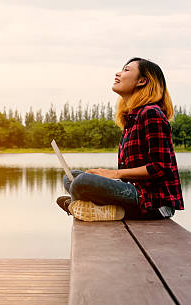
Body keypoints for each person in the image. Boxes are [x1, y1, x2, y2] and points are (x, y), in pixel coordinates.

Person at [56, 57, 184, 220]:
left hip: (154, 203)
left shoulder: (152, 113)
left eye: (126, 70)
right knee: (71, 176)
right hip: (133, 191)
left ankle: (82, 206)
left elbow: (159, 167)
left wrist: (113, 174)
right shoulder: (131, 119)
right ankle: (97, 208)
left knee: (82, 182)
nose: (118, 73)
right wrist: (106, 176)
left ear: (142, 81)